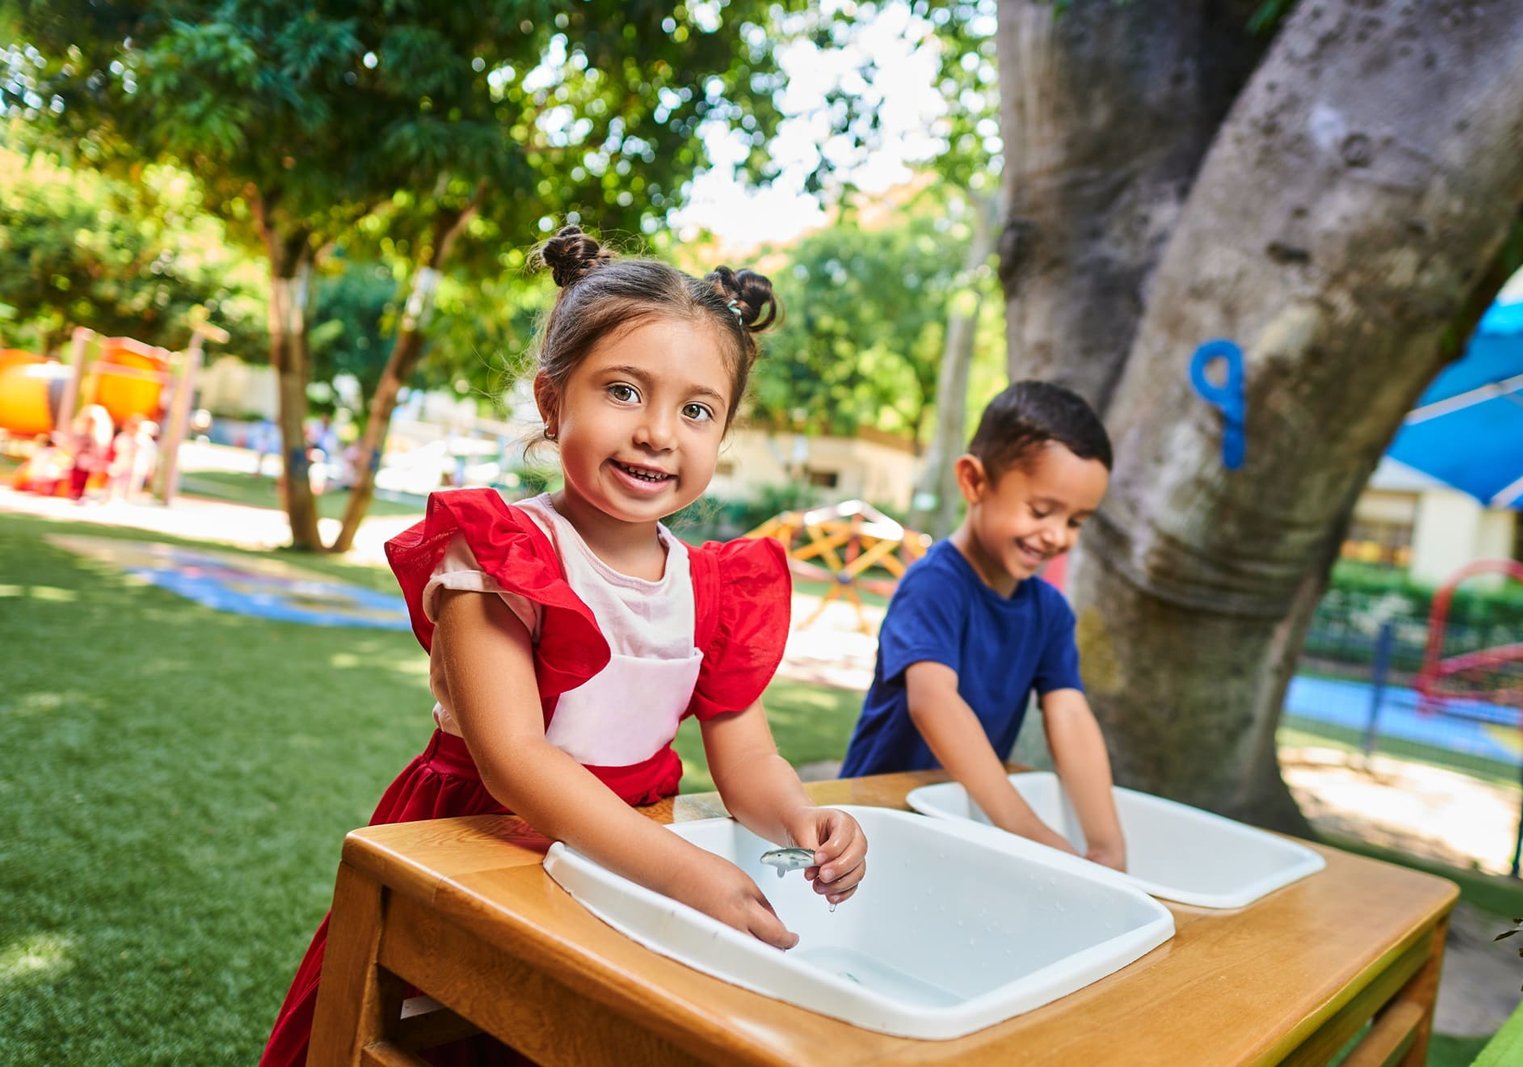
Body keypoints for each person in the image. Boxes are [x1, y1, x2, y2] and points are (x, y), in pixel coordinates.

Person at [260, 224, 867, 1066]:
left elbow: (747, 760)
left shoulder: (714, 588)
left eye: (697, 410)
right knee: (440, 1034)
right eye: (624, 391)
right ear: (553, 403)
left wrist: (803, 820)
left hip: (630, 849)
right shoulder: (505, 552)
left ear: (720, 436)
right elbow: (514, 760)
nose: (659, 431)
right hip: (486, 836)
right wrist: (687, 875)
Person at [839, 379, 1127, 871]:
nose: (1057, 535)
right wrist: (1031, 833)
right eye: (1041, 510)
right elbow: (934, 702)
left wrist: (1106, 844)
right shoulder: (934, 585)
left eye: (1077, 521)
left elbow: (1071, 717)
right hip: (875, 823)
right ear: (975, 482)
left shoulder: (1050, 612)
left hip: (957, 822)